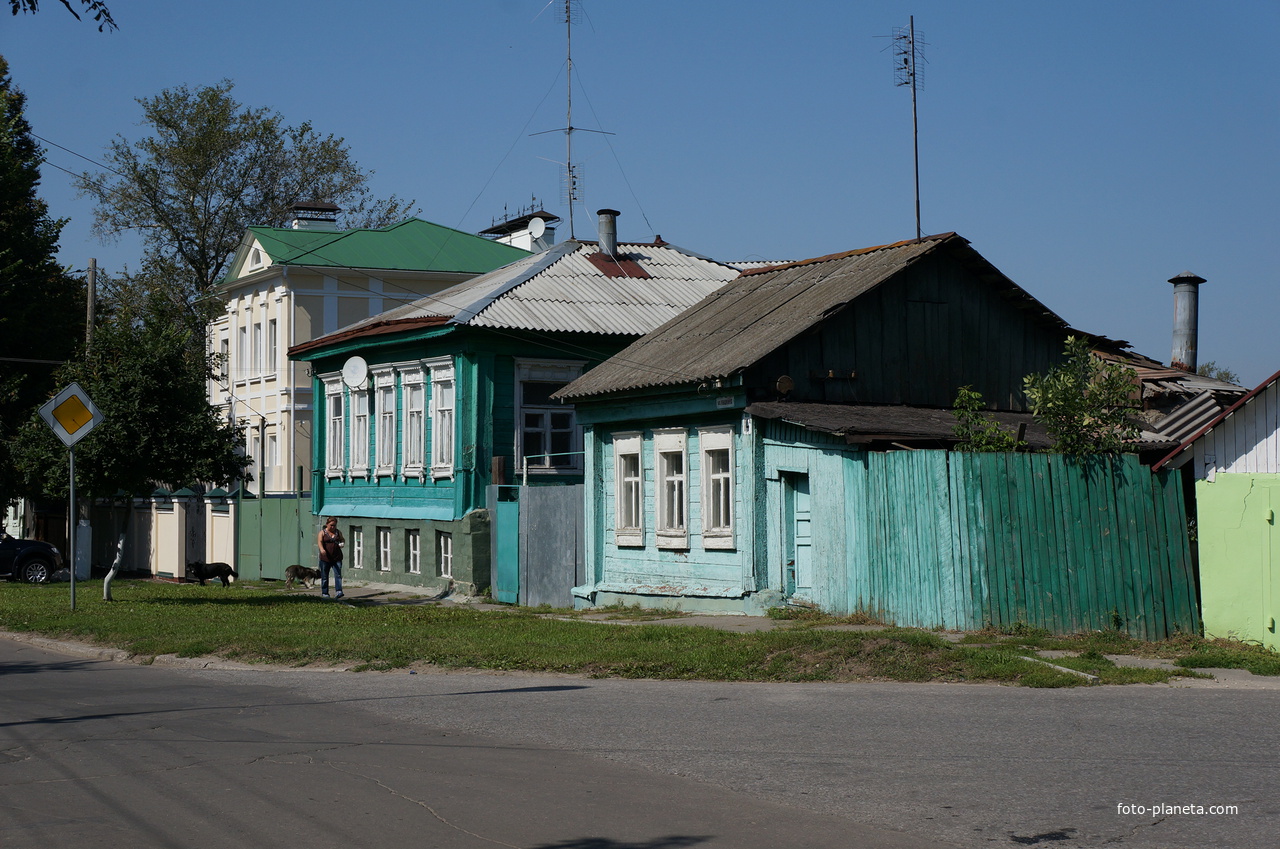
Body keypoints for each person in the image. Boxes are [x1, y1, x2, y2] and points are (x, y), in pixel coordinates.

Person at [317, 517, 345, 599]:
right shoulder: (322, 533)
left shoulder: (338, 532)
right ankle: (325, 593)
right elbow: (320, 542)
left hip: (336, 558)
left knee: (338, 575)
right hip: (325, 559)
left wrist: (342, 543)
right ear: (327, 524)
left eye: (334, 525)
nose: (333, 527)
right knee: (325, 576)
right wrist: (322, 549)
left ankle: (339, 591)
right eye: (331, 525)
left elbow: (342, 539)